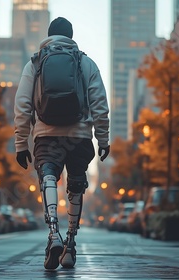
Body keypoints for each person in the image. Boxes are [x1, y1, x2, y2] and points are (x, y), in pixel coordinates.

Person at [14, 17, 110, 270]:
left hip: (46, 134)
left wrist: (20, 144)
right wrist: (103, 138)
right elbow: (100, 103)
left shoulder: (35, 63)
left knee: (48, 176)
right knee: (76, 183)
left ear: (49, 35)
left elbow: (22, 105)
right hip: (78, 136)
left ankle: (53, 233)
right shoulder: (85, 62)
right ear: (71, 36)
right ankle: (70, 243)